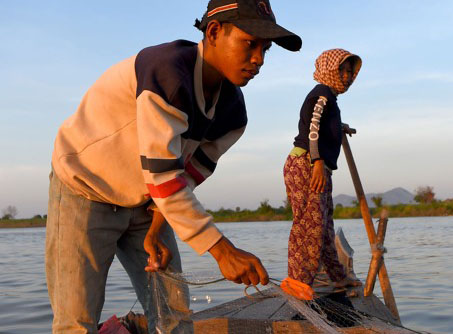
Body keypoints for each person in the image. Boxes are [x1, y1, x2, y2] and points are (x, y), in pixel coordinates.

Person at [46, 0, 302, 333]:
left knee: (174, 314)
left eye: (265, 49)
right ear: (213, 32)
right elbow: (165, 176)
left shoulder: (233, 114)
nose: (258, 59)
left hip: (147, 199)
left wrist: (156, 225)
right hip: (85, 188)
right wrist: (223, 251)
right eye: (249, 43)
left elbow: (187, 175)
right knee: (76, 321)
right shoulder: (165, 72)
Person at [281, 48, 362, 300]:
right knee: (309, 226)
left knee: (324, 226)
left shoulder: (329, 99)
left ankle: (337, 278)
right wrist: (316, 160)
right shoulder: (322, 94)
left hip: (317, 166)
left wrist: (340, 127)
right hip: (306, 163)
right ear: (331, 70)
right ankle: (298, 282)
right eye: (344, 71)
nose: (348, 77)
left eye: (351, 73)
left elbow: (322, 122)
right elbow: (313, 127)